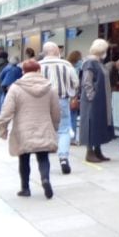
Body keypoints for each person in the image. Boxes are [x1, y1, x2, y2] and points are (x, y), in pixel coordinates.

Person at [0, 59, 61, 199]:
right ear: (38, 70)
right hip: (44, 126)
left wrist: (2, 128)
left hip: (23, 129)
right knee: (43, 157)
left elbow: (7, 111)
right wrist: (54, 126)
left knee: (24, 159)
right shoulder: (50, 88)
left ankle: (25, 188)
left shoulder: (16, 88)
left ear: (23, 72)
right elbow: (56, 111)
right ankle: (45, 179)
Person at [40, 42, 80, 175]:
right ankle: (63, 157)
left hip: (42, 101)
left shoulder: (39, 66)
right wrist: (72, 93)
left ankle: (44, 156)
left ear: (44, 52)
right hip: (61, 100)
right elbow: (76, 83)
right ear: (58, 52)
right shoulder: (66, 65)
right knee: (64, 129)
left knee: (44, 128)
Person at [80, 39, 115, 163]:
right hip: (93, 101)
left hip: (101, 100)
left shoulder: (99, 63)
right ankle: (90, 152)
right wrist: (92, 96)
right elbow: (87, 82)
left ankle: (98, 150)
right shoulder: (90, 63)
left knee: (99, 124)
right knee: (91, 124)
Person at [67, 50, 84, 144]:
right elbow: (78, 83)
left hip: (65, 95)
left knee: (66, 117)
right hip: (73, 94)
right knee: (73, 116)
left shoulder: (66, 66)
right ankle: (72, 138)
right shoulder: (79, 67)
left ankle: (66, 137)